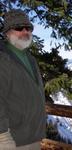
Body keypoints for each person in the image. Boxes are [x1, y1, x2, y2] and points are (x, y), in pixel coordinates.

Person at [0, 9, 46, 150]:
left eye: (28, 28)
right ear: (7, 33)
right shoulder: (3, 58)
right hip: (13, 139)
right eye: (19, 28)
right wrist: (3, 137)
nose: (25, 32)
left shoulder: (30, 59)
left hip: (32, 136)